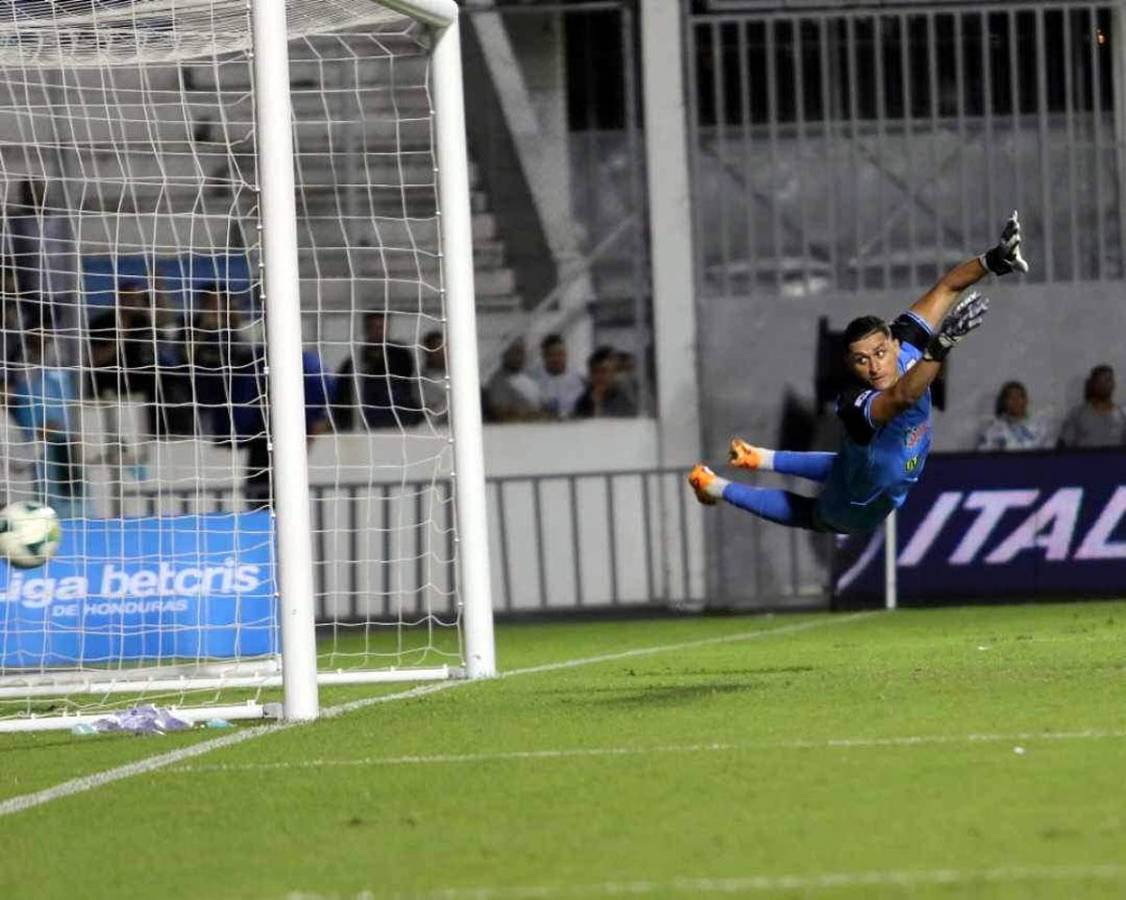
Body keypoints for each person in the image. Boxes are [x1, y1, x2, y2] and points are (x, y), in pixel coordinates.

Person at [687, 211, 1028, 534]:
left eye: (879, 352)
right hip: (858, 506)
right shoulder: (854, 402)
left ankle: (757, 457)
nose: (874, 365)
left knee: (844, 464)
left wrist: (993, 260)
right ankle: (714, 485)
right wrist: (942, 344)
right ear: (850, 366)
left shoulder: (908, 346)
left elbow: (947, 288)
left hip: (863, 470)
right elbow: (902, 397)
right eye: (861, 360)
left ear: (895, 342)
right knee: (813, 515)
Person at [6, 331, 86, 519]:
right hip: (35, 438)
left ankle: (75, 517)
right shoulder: (22, 365)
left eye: (48, 335)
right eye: (39, 334)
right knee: (46, 486)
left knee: (71, 485)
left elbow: (68, 401)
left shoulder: (59, 368)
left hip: (63, 436)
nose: (45, 339)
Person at [7, 178, 79, 368]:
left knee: (61, 340)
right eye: (29, 191)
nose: (35, 194)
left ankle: (62, 377)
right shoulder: (16, 222)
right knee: (31, 337)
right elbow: (9, 256)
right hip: (32, 293)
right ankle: (18, 375)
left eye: (39, 189)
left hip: (62, 293)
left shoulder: (60, 218)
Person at [332, 311, 423, 430]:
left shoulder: (400, 354)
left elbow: (405, 377)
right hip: (365, 419)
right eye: (373, 327)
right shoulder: (355, 361)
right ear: (366, 329)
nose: (378, 332)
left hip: (398, 417)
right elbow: (342, 389)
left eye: (381, 327)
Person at [1057, 364, 1126, 448]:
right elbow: (1063, 447)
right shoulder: (1077, 414)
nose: (1103, 385)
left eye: (1107, 380)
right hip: (1083, 461)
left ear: (1113, 384)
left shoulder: (1122, 415)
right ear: (1093, 384)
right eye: (1099, 381)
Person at [977, 380, 1051, 451]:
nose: (1016, 401)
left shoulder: (1040, 427)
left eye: (1019, 396)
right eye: (1011, 397)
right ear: (1004, 402)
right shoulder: (993, 430)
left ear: (1026, 400)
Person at [483, 339, 543, 422]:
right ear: (506, 355)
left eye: (522, 353)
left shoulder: (528, 378)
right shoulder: (498, 381)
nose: (520, 357)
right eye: (516, 353)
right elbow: (500, 412)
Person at [574, 345, 638, 418]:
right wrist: (597, 404)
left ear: (612, 373)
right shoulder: (582, 402)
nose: (599, 376)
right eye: (595, 371)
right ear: (590, 375)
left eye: (604, 371)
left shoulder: (624, 401)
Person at [532, 333, 585, 419]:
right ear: (544, 356)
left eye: (560, 354)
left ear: (566, 354)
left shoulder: (579, 380)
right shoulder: (533, 381)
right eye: (552, 355)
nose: (556, 359)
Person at [418, 329, 448, 424]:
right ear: (427, 352)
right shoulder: (420, 383)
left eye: (444, 349)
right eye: (437, 349)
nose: (442, 353)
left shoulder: (459, 378)